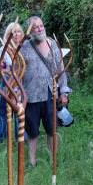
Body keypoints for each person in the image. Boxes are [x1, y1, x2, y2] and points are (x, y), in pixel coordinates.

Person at [19, 16, 70, 167]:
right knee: (32, 131)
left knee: (52, 129)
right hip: (31, 96)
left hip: (50, 94)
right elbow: (17, 70)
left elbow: (60, 69)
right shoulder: (24, 47)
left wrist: (63, 92)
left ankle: (53, 159)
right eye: (36, 27)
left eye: (41, 26)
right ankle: (32, 161)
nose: (40, 29)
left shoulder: (52, 44)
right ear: (30, 30)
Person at [0, 21, 24, 142]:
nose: (16, 34)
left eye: (18, 31)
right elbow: (0, 67)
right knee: (3, 109)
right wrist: (9, 73)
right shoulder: (3, 49)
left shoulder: (24, 47)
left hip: (21, 83)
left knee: (20, 108)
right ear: (8, 34)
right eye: (13, 32)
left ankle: (21, 136)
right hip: (7, 82)